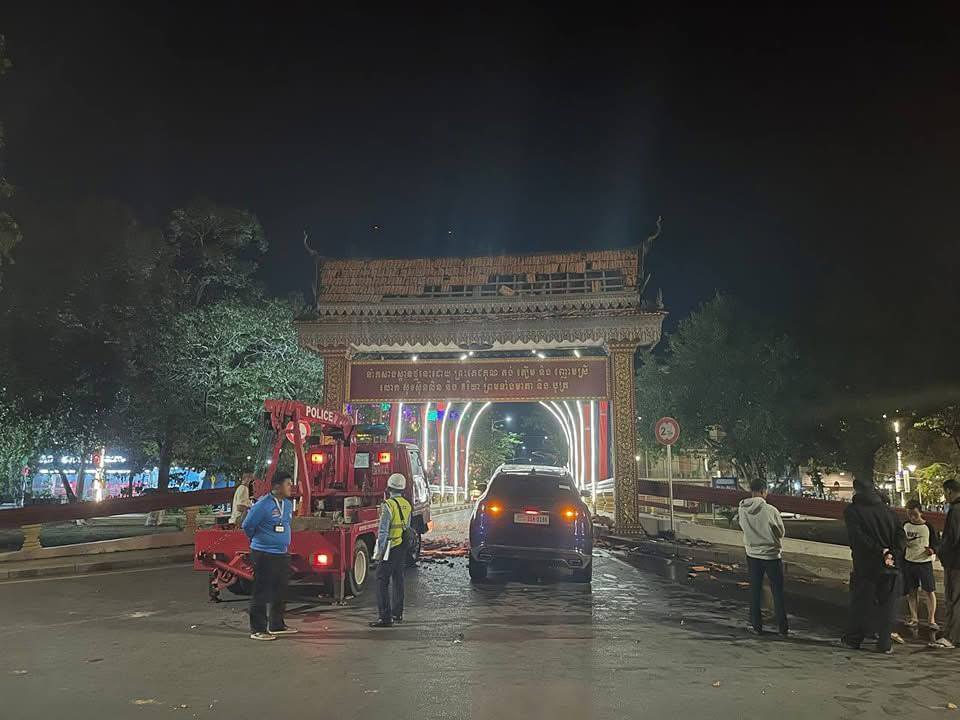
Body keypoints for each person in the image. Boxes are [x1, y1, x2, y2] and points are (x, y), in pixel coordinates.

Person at [840, 479, 906, 654]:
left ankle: (853, 639)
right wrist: (892, 553)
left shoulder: (853, 511)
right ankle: (884, 643)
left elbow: (858, 537)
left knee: (861, 603)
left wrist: (880, 551)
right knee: (887, 606)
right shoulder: (889, 512)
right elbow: (901, 536)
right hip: (890, 565)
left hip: (866, 565)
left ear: (857, 491)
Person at [241, 471, 298, 641]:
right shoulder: (263, 504)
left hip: (282, 552)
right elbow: (247, 525)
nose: (291, 487)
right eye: (288, 484)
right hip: (264, 553)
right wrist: (259, 540)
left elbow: (285, 524)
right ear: (277, 487)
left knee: (280, 590)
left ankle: (277, 624)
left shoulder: (287, 504)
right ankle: (258, 629)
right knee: (262, 591)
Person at [737, 479, 788, 636]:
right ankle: (782, 628)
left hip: (752, 554)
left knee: (755, 590)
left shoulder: (742, 509)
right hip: (771, 555)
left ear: (751, 491)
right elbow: (781, 532)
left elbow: (742, 527)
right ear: (763, 491)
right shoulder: (771, 510)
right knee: (777, 592)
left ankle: (756, 626)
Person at [369, 473, 412, 628]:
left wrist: (379, 553)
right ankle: (397, 613)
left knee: (381, 580)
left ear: (389, 488)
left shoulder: (388, 505)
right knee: (398, 579)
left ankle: (385, 617)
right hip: (402, 546)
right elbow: (407, 526)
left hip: (390, 546)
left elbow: (383, 531)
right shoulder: (407, 504)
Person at [902, 499, 940, 630]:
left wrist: (932, 550)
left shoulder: (928, 526)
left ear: (921, 512)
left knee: (929, 591)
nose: (912, 517)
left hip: (924, 563)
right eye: (909, 514)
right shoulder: (905, 525)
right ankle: (914, 618)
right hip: (909, 562)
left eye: (915, 514)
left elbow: (936, 543)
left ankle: (931, 620)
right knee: (911, 591)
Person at [934, 478, 960, 648]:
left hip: (955, 563)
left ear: (949, 491)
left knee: (953, 599)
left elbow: (952, 538)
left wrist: (941, 552)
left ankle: (951, 637)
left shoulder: (955, 510)